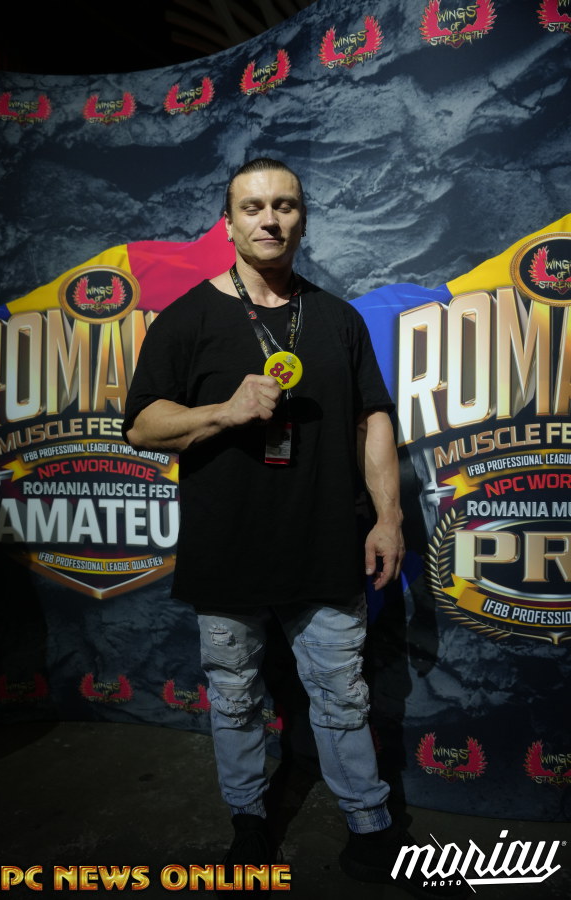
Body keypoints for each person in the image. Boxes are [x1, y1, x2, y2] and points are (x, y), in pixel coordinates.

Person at [122, 157, 406, 885]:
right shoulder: (188, 317)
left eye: (284, 205)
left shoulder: (337, 318)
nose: (269, 220)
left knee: (343, 696)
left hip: (326, 544)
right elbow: (142, 425)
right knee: (235, 697)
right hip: (228, 548)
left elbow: (372, 421)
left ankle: (370, 827)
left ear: (302, 219)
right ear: (228, 224)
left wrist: (388, 517)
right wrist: (225, 411)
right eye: (252, 207)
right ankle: (249, 824)